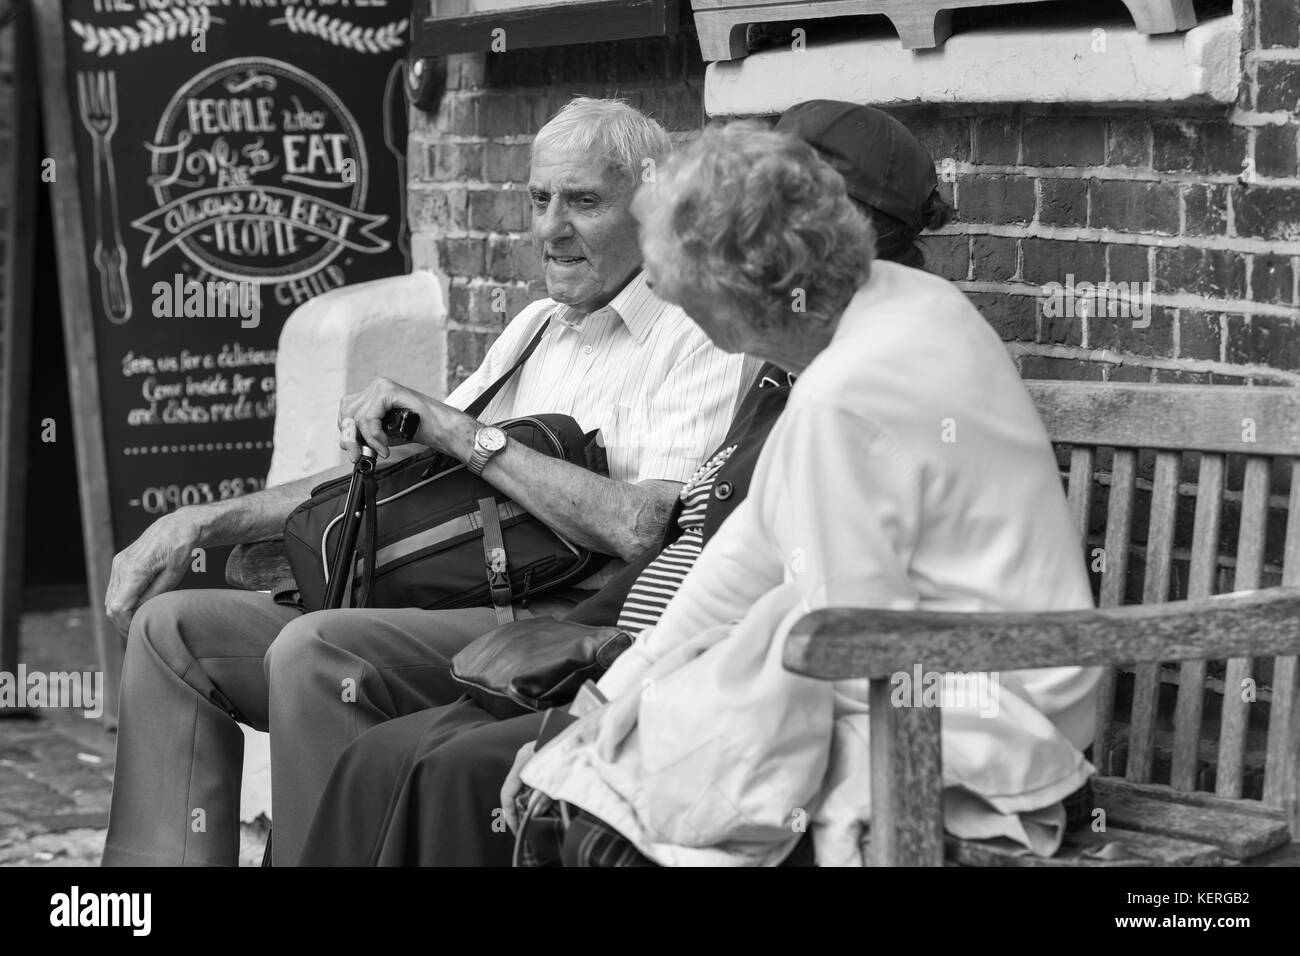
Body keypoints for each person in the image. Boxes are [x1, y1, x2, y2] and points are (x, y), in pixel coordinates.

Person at [296, 102, 956, 867]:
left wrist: (616, 714)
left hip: (862, 716)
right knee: (393, 756)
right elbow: (732, 554)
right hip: (679, 651)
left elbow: (817, 616)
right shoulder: (807, 358)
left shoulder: (882, 366)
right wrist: (609, 695)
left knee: (454, 768)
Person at [101, 97, 757, 867]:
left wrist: (454, 428)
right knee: (173, 630)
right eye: (539, 199)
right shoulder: (536, 328)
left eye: (582, 201)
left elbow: (642, 526)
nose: (550, 228)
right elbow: (404, 462)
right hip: (456, 594)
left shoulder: (699, 334)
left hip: (569, 624)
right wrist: (201, 523)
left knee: (318, 650)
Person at [511, 119, 1103, 866]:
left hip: (979, 740)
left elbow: (837, 638)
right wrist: (605, 701)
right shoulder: (901, 301)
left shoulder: (844, 394)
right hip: (981, 699)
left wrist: (639, 731)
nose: (661, 295)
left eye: (679, 289)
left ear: (734, 303)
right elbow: (747, 557)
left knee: (607, 823)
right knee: (606, 783)